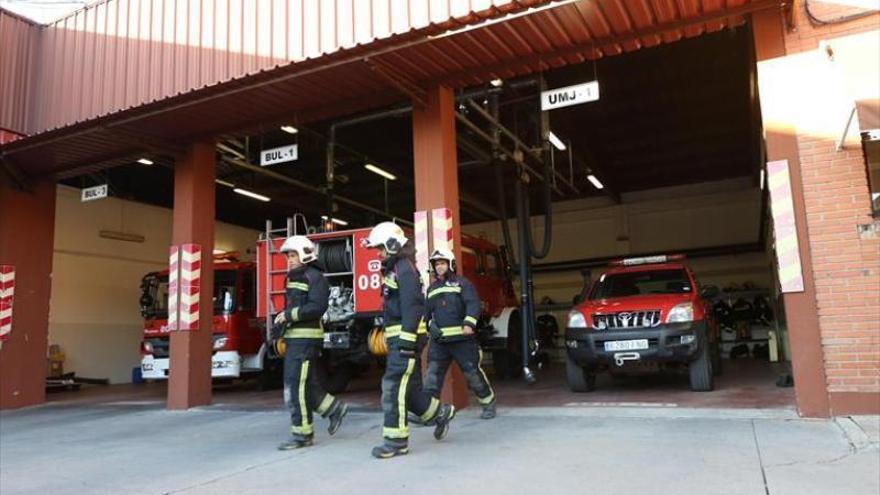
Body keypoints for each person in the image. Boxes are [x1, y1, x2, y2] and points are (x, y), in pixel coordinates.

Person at [365, 222, 456, 459]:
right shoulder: (398, 268)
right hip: (401, 339)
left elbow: (413, 307)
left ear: (393, 245)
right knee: (411, 390)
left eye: (381, 249)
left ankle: (396, 443)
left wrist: (405, 341)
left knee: (393, 387)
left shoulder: (403, 269)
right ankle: (440, 414)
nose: (378, 253)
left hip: (405, 341)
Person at [273, 235, 348, 450]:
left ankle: (302, 434)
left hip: (306, 340)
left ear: (305, 254)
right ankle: (334, 409)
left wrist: (289, 315)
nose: (289, 259)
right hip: (296, 339)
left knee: (296, 385)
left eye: (293, 255)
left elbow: (317, 307)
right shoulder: (294, 277)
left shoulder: (315, 277)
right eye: (288, 255)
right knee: (307, 383)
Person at [424, 248, 496, 420]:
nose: (439, 267)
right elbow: (426, 314)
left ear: (450, 264)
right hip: (439, 342)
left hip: (462, 340)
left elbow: (473, 304)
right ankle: (427, 413)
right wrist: (430, 325)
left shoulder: (462, 284)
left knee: (472, 374)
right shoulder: (431, 289)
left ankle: (488, 404)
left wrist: (469, 323)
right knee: (432, 377)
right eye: (437, 264)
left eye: (442, 263)